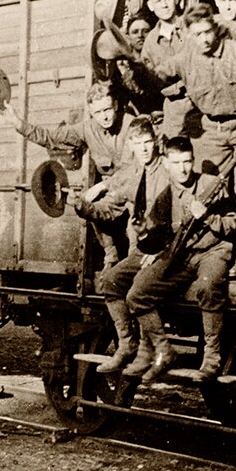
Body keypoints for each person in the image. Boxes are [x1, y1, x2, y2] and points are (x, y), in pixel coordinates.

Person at [120, 137, 236, 382]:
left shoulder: (212, 185)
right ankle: (164, 349)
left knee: (208, 286)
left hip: (212, 252)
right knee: (137, 294)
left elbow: (233, 223)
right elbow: (155, 240)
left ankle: (212, 358)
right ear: (166, 163)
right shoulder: (166, 196)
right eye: (176, 163)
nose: (183, 168)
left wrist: (206, 217)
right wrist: (142, 232)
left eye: (187, 161)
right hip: (182, 255)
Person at [0, 81, 135, 265]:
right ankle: (110, 254)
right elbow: (52, 138)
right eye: (98, 113)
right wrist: (19, 124)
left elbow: (131, 169)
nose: (104, 117)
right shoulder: (87, 129)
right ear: (91, 113)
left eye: (107, 109)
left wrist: (103, 185)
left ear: (116, 105)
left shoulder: (130, 125)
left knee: (136, 213)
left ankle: (135, 256)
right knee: (87, 203)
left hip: (133, 187)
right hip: (112, 192)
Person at [77, 117, 172, 373]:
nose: (144, 149)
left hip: (168, 250)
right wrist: (83, 207)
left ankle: (146, 350)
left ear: (155, 142)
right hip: (144, 249)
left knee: (138, 290)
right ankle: (127, 344)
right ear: (130, 145)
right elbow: (111, 207)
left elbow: (181, 218)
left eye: (148, 142)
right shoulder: (133, 174)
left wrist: (163, 249)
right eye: (138, 143)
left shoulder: (168, 171)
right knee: (110, 281)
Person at [154, 3, 236, 174]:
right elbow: (155, 76)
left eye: (207, 32)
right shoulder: (184, 60)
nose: (204, 39)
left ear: (215, 29)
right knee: (208, 187)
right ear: (189, 35)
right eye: (197, 34)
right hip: (211, 132)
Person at [139, 0, 195, 137]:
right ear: (150, 5)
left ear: (176, 0)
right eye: (158, 1)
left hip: (200, 104)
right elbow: (151, 82)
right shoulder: (149, 43)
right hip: (174, 109)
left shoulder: (192, 24)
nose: (163, 5)